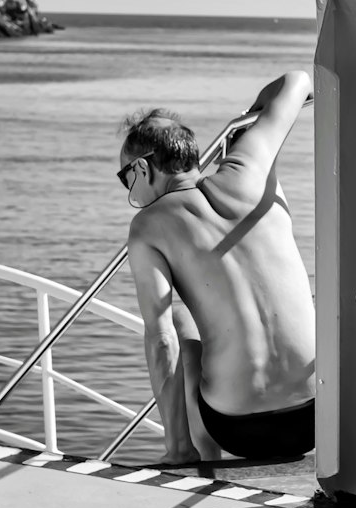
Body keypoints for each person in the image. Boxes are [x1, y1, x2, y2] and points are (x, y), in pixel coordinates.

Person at [118, 70, 316, 466]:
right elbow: (298, 80)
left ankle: (187, 455)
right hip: (320, 415)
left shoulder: (148, 227)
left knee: (175, 320)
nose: (128, 190)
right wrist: (245, 125)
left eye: (125, 178)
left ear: (141, 169)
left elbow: (161, 342)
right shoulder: (252, 166)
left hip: (238, 430)